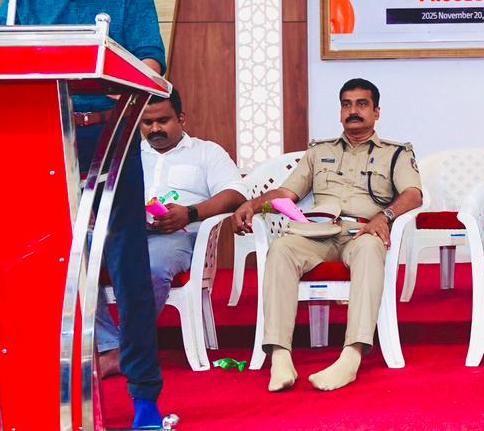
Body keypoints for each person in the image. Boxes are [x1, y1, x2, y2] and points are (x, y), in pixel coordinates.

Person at [0, 0, 167, 428]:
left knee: (128, 265)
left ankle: (144, 397)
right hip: (42, 142)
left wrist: (126, 75)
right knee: (38, 267)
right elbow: (0, 67)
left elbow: (149, 60)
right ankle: (45, 390)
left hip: (110, 136)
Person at [232, 78, 422, 393]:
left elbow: (414, 195)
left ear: (376, 112)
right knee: (281, 249)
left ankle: (351, 356)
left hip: (362, 231)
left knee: (370, 249)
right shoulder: (319, 152)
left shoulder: (396, 153)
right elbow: (286, 193)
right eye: (347, 105)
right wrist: (252, 205)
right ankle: (280, 356)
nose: (353, 111)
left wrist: (385, 216)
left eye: (362, 104)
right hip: (318, 232)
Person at [94, 89, 247, 378]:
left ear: (181, 119)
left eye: (163, 121)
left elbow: (236, 193)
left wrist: (189, 213)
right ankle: (111, 345)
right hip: (126, 233)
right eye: (147, 123)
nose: (155, 129)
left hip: (179, 237)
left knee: (149, 266)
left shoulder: (206, 152)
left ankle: (125, 350)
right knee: (72, 259)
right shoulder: (125, 155)